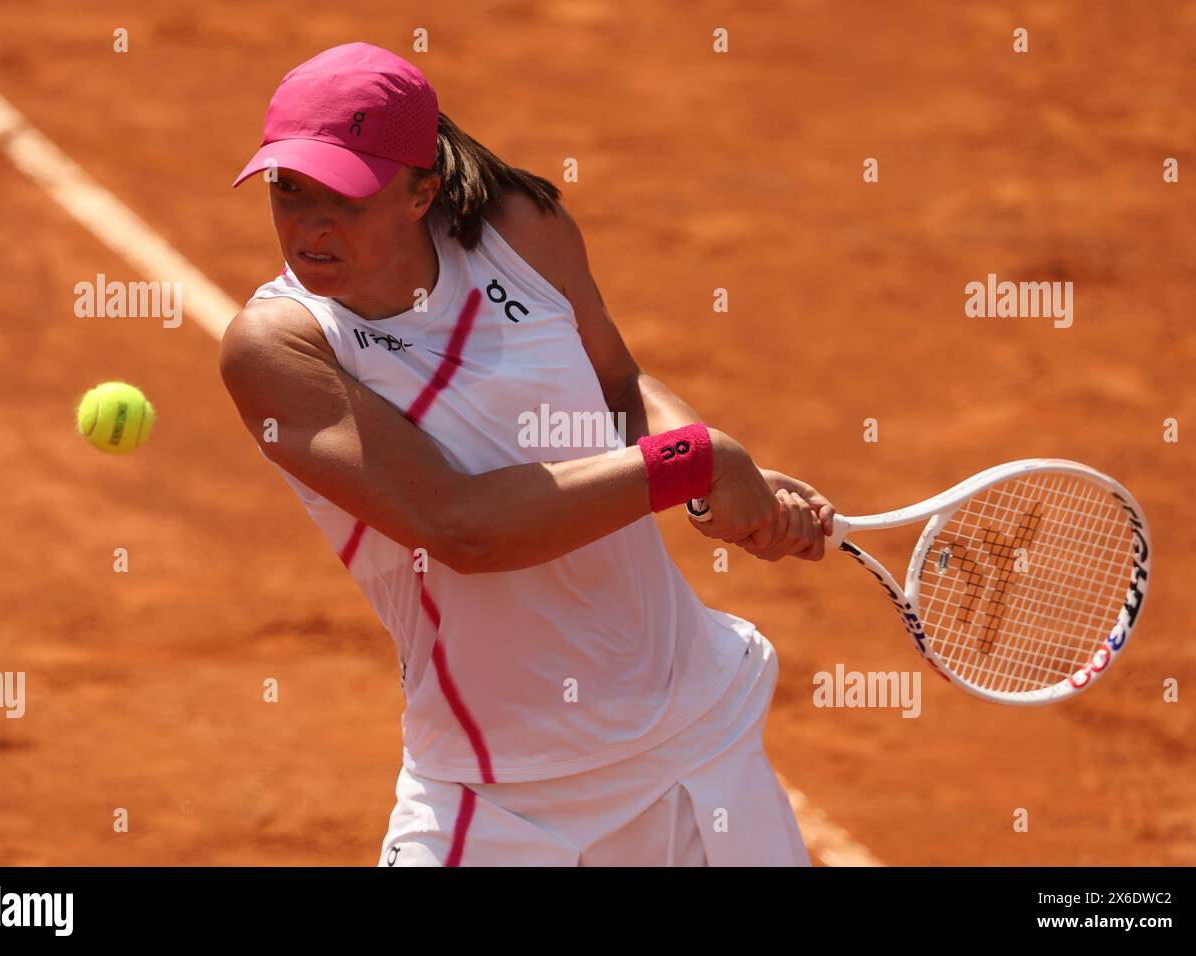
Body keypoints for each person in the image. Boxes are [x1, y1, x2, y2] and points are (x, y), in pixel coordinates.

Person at [221, 41, 835, 866]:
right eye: (288, 191)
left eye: (348, 197)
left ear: (421, 193)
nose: (309, 224)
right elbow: (463, 529)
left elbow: (618, 387)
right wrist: (695, 462)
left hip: (692, 740)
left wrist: (714, 481)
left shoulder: (518, 230)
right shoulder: (279, 346)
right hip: (500, 798)